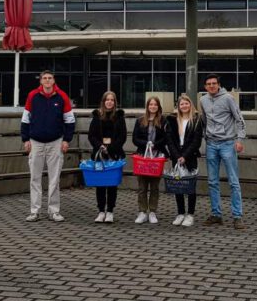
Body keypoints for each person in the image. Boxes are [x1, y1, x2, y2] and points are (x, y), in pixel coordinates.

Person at [21, 70, 75, 222]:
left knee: (54, 179)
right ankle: (34, 211)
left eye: (50, 78)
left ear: (54, 80)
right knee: (34, 178)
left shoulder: (62, 96)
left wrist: (66, 140)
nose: (47, 80)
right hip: (35, 142)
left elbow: (70, 120)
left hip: (55, 142)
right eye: (44, 78)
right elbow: (25, 119)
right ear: (40, 81)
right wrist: (25, 139)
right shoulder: (32, 95)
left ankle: (54, 211)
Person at [200, 73, 247, 230]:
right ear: (205, 86)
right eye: (208, 84)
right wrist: (205, 136)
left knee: (233, 181)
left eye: (214, 83)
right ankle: (216, 214)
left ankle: (237, 216)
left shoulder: (228, 98)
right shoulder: (203, 100)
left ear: (218, 85)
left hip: (227, 143)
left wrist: (239, 140)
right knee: (212, 181)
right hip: (211, 144)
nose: (211, 86)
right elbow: (204, 120)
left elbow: (239, 119)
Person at [87, 91, 127, 223]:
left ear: (115, 102)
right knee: (100, 183)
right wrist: (100, 146)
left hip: (114, 154)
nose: (109, 102)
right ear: (103, 102)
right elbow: (91, 135)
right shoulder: (97, 116)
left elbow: (122, 137)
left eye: (112, 100)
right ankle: (100, 211)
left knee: (112, 184)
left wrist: (110, 148)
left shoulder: (119, 117)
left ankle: (110, 211)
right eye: (107, 100)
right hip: (99, 154)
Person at [165, 94, 203, 227]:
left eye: (187, 103)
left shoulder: (196, 121)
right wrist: (177, 156)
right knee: (178, 185)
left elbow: (196, 141)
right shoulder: (172, 121)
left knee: (190, 186)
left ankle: (190, 214)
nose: (184, 106)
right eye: (182, 104)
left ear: (190, 105)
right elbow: (169, 140)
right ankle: (180, 213)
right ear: (178, 106)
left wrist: (185, 156)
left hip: (190, 156)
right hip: (176, 156)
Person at [132, 96, 168, 224]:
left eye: (155, 104)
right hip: (142, 156)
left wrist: (154, 144)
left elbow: (165, 138)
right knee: (142, 186)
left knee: (154, 186)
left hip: (157, 156)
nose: (153, 107)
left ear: (158, 106)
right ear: (147, 106)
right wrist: (145, 143)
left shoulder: (163, 121)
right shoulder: (140, 120)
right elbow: (135, 139)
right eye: (151, 104)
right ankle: (142, 212)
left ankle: (152, 211)